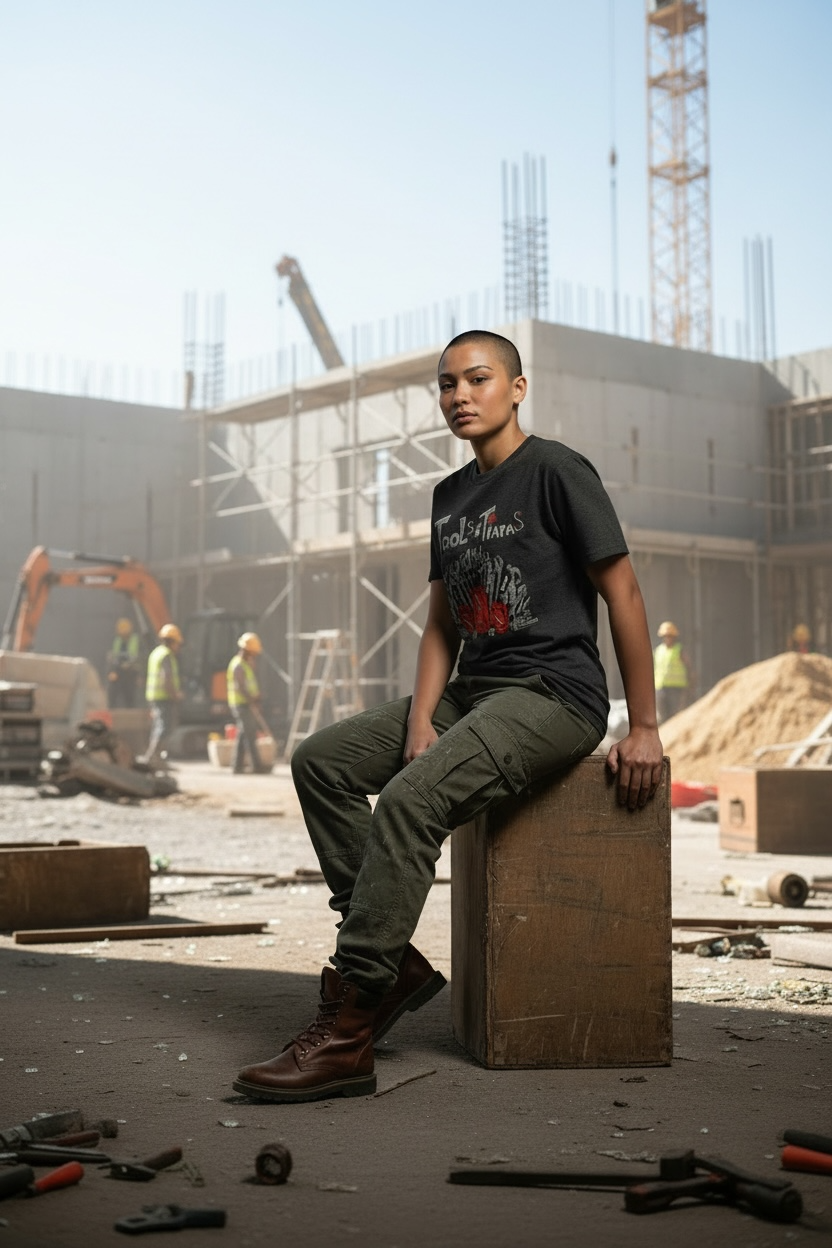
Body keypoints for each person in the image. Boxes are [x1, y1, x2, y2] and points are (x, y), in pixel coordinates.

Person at [233, 330, 663, 1104]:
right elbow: (440, 626)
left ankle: (351, 1025)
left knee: (409, 801)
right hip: (474, 688)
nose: (459, 395)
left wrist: (647, 725)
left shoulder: (558, 471)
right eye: (446, 385)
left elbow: (622, 592)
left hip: (553, 694)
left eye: (478, 379)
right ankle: (393, 960)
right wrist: (422, 717)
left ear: (518, 388)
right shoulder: (449, 496)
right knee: (320, 761)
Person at [227, 632, 270, 775]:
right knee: (250, 734)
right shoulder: (238, 665)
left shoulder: (245, 664)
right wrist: (252, 701)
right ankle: (256, 766)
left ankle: (236, 766)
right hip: (242, 705)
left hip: (245, 703)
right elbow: (241, 687)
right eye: (252, 652)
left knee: (243, 734)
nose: (254, 655)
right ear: (247, 650)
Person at [142, 623, 183, 763]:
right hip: (163, 697)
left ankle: (156, 756)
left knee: (159, 725)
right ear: (172, 641)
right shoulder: (166, 655)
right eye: (177, 643)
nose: (178, 647)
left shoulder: (156, 653)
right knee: (165, 727)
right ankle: (153, 755)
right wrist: (175, 694)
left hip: (154, 695)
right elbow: (167, 677)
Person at [653, 620, 693, 723]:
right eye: (665, 636)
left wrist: (690, 685)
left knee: (675, 715)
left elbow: (690, 668)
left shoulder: (679, 650)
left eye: (670, 636)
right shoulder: (658, 650)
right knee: (662, 716)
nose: (667, 638)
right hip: (661, 688)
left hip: (676, 689)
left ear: (674, 637)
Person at [106, 617, 140, 708]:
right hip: (119, 671)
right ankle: (112, 709)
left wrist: (129, 664)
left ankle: (130, 711)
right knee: (113, 691)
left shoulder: (135, 639)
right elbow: (114, 656)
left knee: (129, 695)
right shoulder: (118, 640)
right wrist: (112, 668)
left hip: (131, 672)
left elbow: (135, 657)